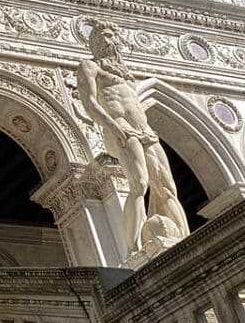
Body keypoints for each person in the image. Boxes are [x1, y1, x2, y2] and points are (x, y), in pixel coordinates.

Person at [76, 22, 188, 257]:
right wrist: (114, 126)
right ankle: (133, 249)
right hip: (121, 128)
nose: (111, 40)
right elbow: (90, 103)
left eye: (114, 36)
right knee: (139, 184)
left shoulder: (126, 74)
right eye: (105, 36)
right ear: (95, 41)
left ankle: (185, 239)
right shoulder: (90, 66)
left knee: (167, 188)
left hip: (145, 130)